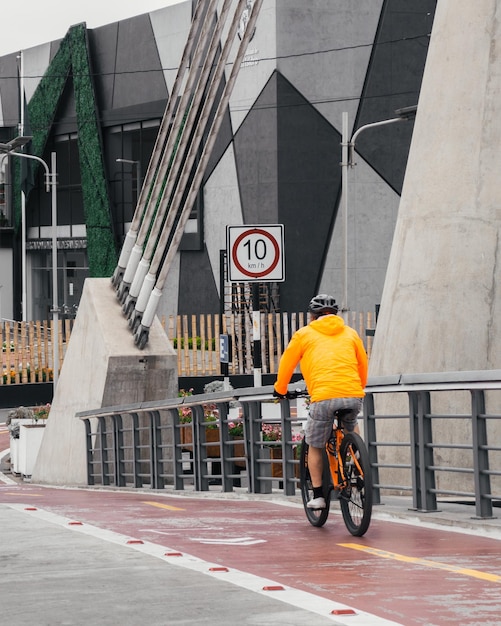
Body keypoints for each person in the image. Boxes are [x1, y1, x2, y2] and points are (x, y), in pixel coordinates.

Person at [273, 294, 368, 509]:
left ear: (312, 316)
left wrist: (280, 390)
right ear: (335, 314)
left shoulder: (304, 334)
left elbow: (286, 364)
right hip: (352, 393)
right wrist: (359, 386)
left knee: (314, 444)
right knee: (351, 426)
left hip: (324, 397)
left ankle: (318, 496)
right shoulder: (350, 333)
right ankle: (360, 462)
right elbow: (362, 362)